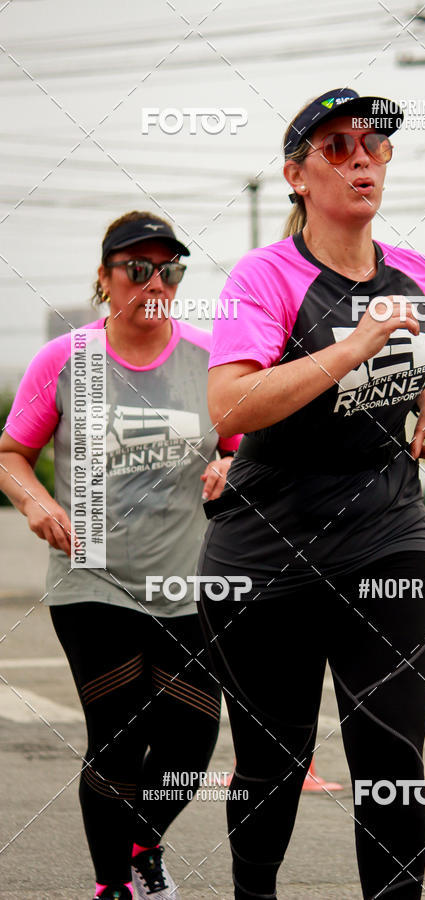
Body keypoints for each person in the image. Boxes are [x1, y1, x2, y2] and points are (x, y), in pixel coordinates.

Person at [196, 89, 425, 900]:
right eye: (338, 147)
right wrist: (353, 345)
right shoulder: (264, 276)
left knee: (390, 754)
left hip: (388, 533)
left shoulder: (412, 272)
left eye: (375, 147)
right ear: (297, 176)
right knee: (274, 762)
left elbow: (406, 365)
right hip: (264, 549)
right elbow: (233, 406)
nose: (361, 159)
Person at [0, 211, 240, 900]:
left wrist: (232, 467)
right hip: (92, 578)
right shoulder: (64, 361)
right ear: (105, 279)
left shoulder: (208, 356)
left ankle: (142, 841)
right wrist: (35, 503)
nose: (154, 281)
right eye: (137, 268)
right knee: (118, 731)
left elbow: (244, 439)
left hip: (187, 580)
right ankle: (115, 886)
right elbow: (12, 454)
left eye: (169, 269)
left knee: (191, 745)